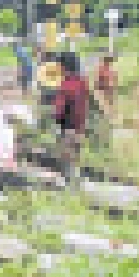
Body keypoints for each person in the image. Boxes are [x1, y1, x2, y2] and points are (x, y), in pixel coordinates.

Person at [53, 51, 91, 180]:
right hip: (80, 127)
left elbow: (59, 110)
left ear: (65, 67)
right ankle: (77, 182)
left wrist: (57, 124)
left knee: (67, 161)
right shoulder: (83, 82)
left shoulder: (65, 86)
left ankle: (70, 185)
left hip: (68, 128)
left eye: (59, 66)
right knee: (76, 159)